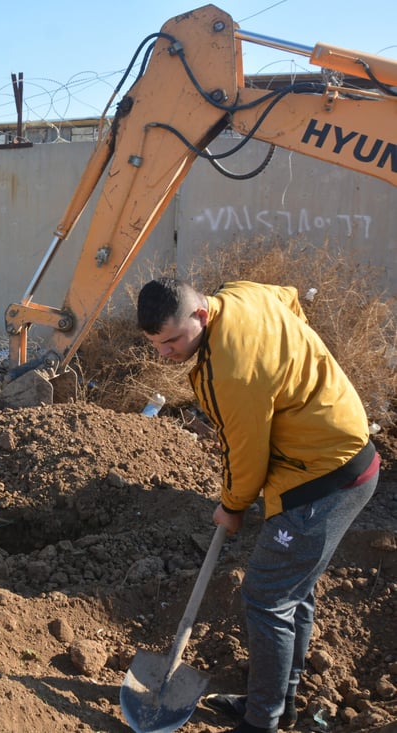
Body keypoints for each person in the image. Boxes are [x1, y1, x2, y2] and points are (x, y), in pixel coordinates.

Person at [136, 278, 379, 733]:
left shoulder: (229, 370)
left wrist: (232, 505)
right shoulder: (239, 293)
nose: (164, 354)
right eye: (155, 344)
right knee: (291, 592)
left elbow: (246, 454)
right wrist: (292, 369)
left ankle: (261, 721)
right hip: (343, 452)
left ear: (201, 315)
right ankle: (280, 700)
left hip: (322, 478)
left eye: (171, 341)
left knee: (266, 597)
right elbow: (290, 296)